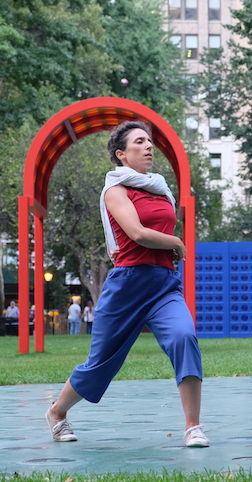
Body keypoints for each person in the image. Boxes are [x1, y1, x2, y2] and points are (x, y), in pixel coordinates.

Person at [45, 120, 207, 447]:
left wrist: (169, 247)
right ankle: (58, 412)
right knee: (101, 364)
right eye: (139, 142)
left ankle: (193, 427)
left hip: (163, 284)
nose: (149, 146)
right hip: (127, 285)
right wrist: (175, 241)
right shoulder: (115, 191)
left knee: (184, 337)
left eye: (149, 141)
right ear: (121, 154)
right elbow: (136, 233)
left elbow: (152, 232)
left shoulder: (160, 189)